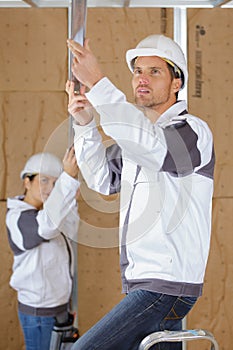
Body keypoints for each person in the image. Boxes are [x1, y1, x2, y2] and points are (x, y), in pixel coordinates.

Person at [66, 34, 215, 350]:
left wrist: (99, 83)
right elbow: (103, 181)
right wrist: (85, 125)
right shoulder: (138, 141)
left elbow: (154, 149)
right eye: (137, 71)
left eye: (154, 71)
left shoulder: (192, 131)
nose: (142, 79)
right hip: (148, 283)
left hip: (166, 285)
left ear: (177, 83)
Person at [6, 147, 80, 350]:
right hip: (38, 313)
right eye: (44, 180)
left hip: (60, 308)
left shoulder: (50, 214)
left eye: (55, 183)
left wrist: (69, 198)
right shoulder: (18, 218)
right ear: (27, 181)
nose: (50, 187)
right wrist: (67, 182)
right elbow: (46, 227)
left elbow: (71, 227)